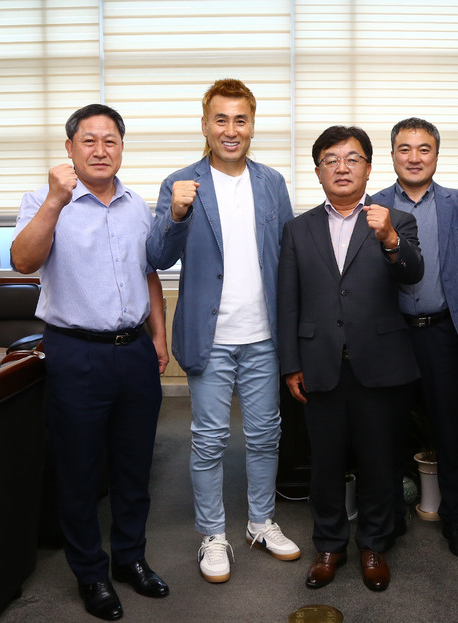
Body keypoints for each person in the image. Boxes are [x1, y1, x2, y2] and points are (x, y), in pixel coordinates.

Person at [11, 104, 170, 621]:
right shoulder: (43, 199)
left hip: (135, 351)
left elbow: (149, 273)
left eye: (110, 141)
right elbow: (23, 261)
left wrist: (158, 337)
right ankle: (91, 573)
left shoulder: (136, 205)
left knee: (134, 466)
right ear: (70, 148)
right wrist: (56, 200)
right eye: (89, 140)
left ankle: (130, 558)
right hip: (76, 351)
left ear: (121, 147)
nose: (101, 150)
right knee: (79, 470)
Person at [146, 79, 299, 584]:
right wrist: (175, 214)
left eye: (240, 120)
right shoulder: (181, 183)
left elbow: (288, 258)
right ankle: (213, 534)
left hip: (264, 336)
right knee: (209, 440)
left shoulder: (272, 182)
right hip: (209, 338)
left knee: (265, 436)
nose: (231, 130)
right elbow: (157, 256)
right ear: (205, 125)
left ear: (252, 126)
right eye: (221, 119)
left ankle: (260, 522)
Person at [278, 125, 423, 592]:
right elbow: (288, 302)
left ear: (368, 167)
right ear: (318, 170)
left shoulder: (395, 219)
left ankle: (374, 545)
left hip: (379, 362)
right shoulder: (297, 229)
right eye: (331, 160)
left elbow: (413, 274)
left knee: (379, 462)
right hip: (320, 362)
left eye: (352, 159)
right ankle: (329, 546)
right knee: (325, 464)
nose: (342, 168)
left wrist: (390, 238)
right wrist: (290, 363)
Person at [371, 117, 458, 557]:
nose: (414, 157)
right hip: (390, 334)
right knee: (387, 432)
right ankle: (390, 518)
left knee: (449, 431)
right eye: (404, 149)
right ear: (392, 155)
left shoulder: (457, 202)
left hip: (442, 333)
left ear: (436, 156)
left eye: (423, 149)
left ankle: (456, 520)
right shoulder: (374, 204)